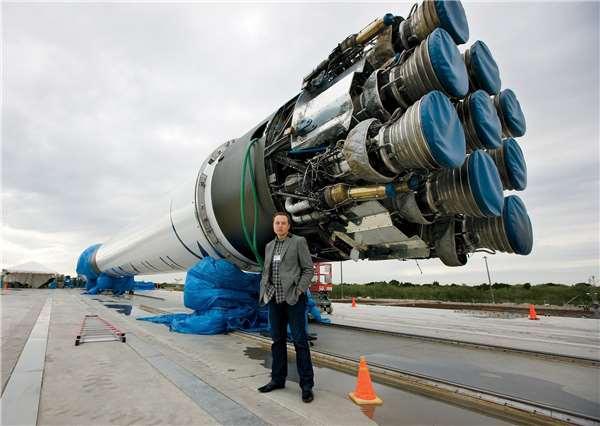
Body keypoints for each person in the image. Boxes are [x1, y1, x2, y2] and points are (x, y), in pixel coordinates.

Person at [257, 211, 315, 403]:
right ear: (273, 226)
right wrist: (264, 290)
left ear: (289, 226)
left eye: (283, 223)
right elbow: (266, 271)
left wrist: (299, 290)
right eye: (277, 223)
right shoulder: (269, 246)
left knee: (300, 342)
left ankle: (306, 385)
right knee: (277, 341)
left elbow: (308, 269)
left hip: (294, 299)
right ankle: (277, 379)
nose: (280, 226)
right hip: (274, 300)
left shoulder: (298, 242)